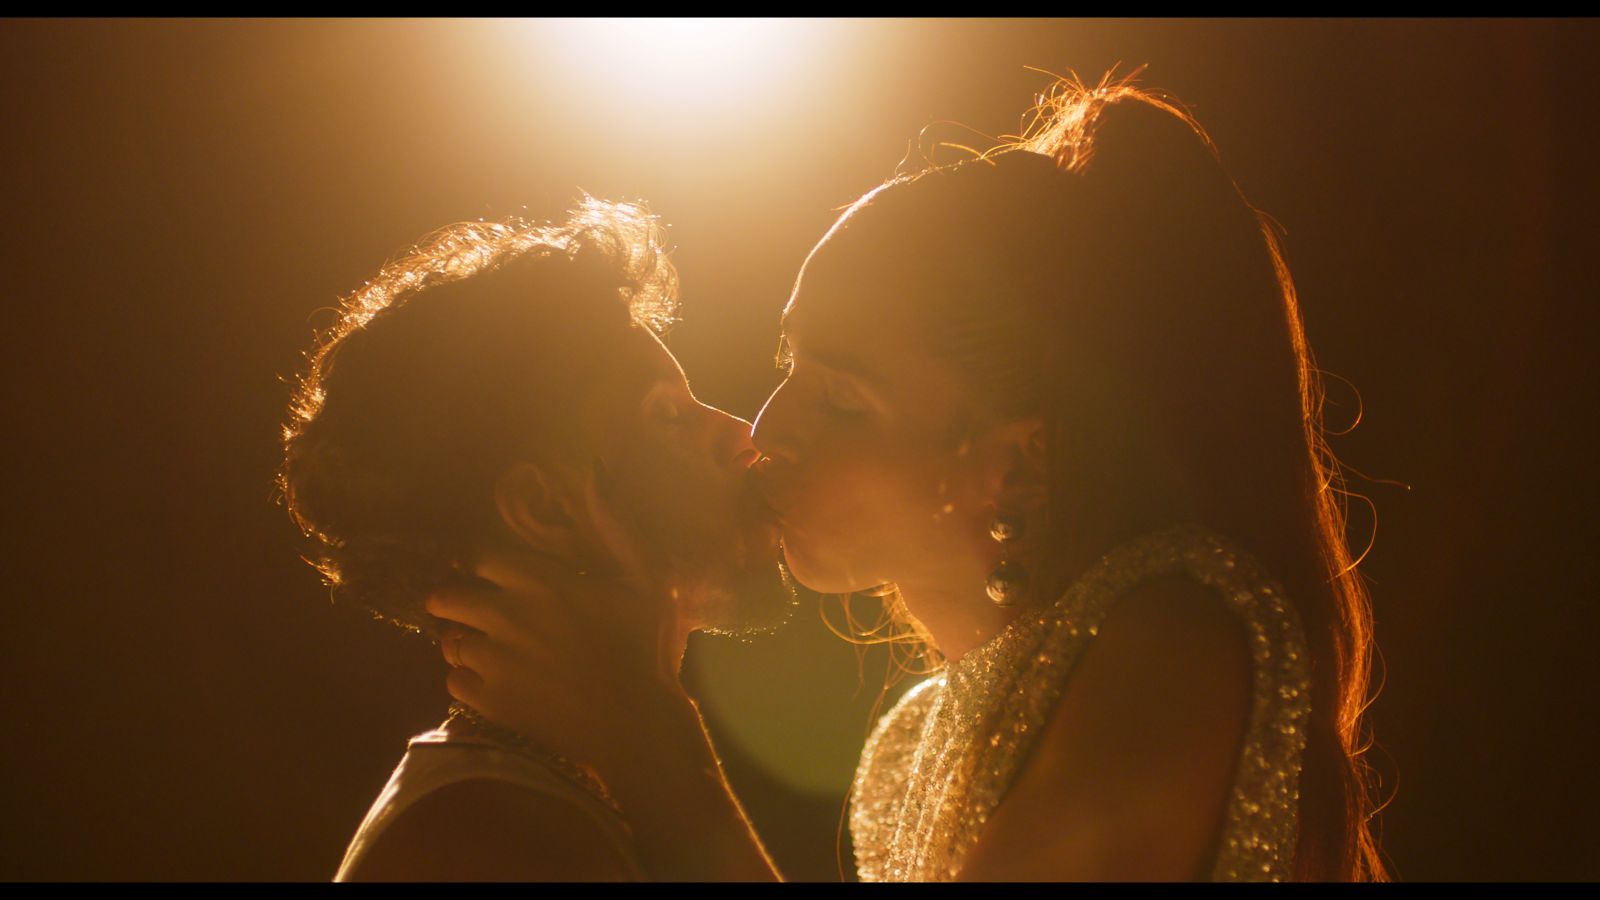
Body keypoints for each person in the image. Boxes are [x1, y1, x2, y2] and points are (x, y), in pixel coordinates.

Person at [436, 71, 1388, 881]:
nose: (770, 431)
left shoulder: (1175, 639)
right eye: (786, 371)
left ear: (1018, 463)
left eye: (842, 400)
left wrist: (652, 743)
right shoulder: (906, 749)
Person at [279, 199, 792, 881]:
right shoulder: (482, 847)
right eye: (667, 416)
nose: (741, 435)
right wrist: (667, 752)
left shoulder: (555, 797)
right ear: (544, 511)